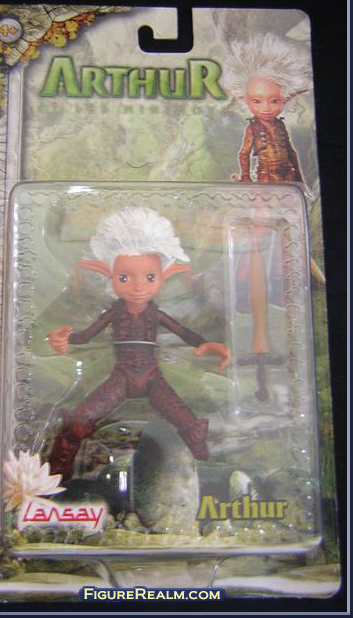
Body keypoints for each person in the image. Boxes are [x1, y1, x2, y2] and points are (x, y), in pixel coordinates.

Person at [47, 206, 230, 480]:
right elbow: (86, 336)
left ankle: (207, 470)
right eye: (124, 278)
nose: (138, 286)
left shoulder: (156, 314)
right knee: (79, 420)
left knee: (189, 423)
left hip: (152, 378)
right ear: (109, 275)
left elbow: (183, 332)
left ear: (165, 276)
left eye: (149, 277)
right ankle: (56, 472)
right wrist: (65, 339)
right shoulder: (113, 313)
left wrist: (209, 345)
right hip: (120, 378)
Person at [222, 33, 311, 183]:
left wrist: (300, 181)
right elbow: (244, 153)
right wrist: (246, 178)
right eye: (257, 101)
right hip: (266, 176)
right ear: (246, 101)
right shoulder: (253, 128)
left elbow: (291, 152)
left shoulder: (280, 125)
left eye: (274, 101)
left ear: (284, 99)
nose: (266, 108)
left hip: (289, 174)